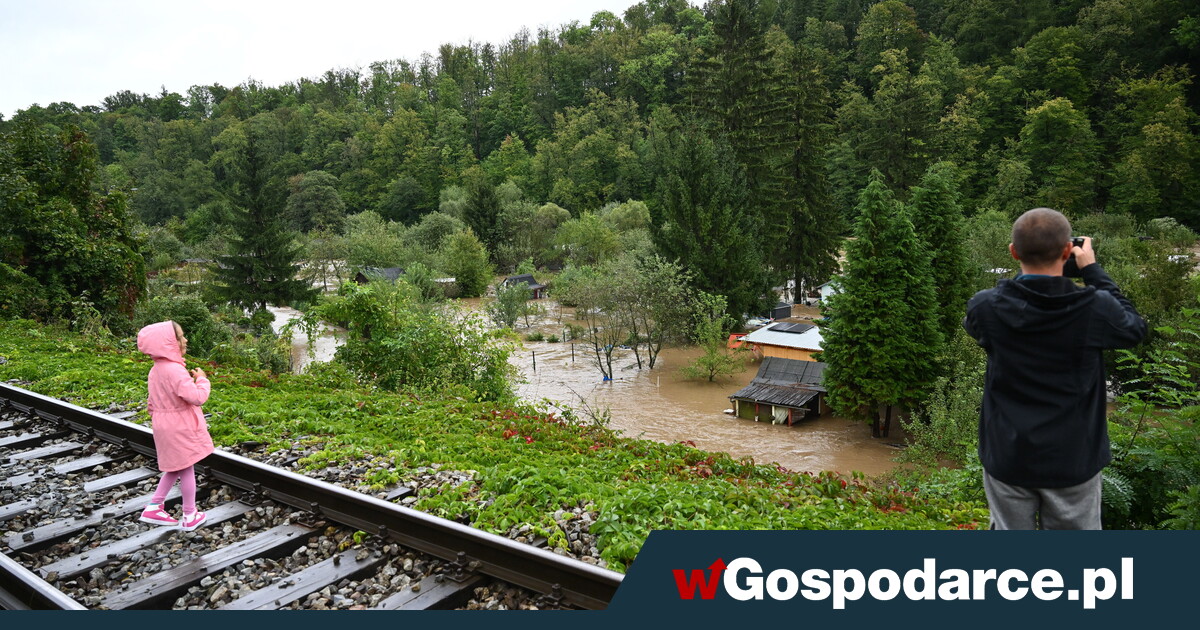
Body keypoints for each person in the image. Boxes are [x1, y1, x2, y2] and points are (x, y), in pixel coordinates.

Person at [963, 207, 1146, 529]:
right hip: (1073, 457)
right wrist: (1092, 270)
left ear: (1013, 251)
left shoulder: (987, 306)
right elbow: (1134, 330)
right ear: (1068, 251)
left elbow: (982, 320)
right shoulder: (1094, 308)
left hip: (1008, 454)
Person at [136, 320, 214, 531]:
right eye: (180, 337)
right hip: (179, 425)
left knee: (175, 467)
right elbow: (197, 397)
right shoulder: (175, 371)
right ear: (169, 343)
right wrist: (202, 380)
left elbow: (151, 403)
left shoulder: (156, 370)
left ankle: (154, 505)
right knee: (187, 467)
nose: (185, 339)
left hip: (162, 423)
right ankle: (190, 514)